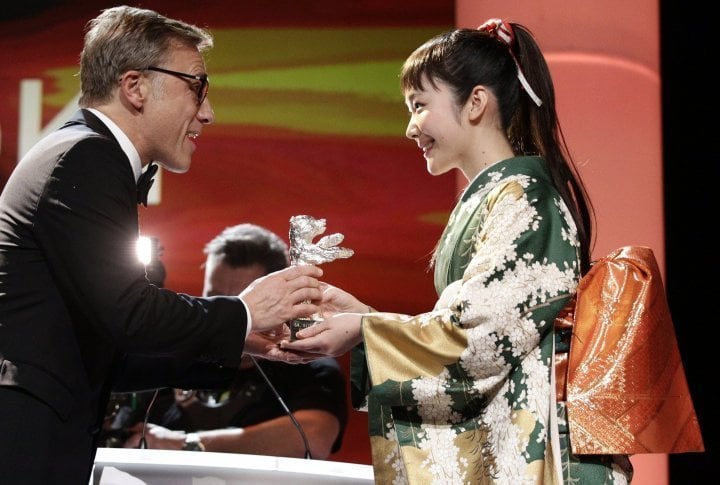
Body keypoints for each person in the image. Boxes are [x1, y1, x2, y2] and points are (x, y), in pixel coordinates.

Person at [281, 19, 634, 484]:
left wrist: (366, 329)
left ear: (475, 103)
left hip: (543, 451)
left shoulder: (525, 197)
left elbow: (481, 337)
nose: (410, 127)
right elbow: (476, 323)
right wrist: (365, 318)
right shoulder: (506, 196)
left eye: (419, 105)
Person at [0, 6, 322, 485]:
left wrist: (237, 343)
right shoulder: (85, 158)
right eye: (197, 87)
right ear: (134, 87)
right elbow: (131, 317)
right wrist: (245, 312)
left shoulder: (82, 153)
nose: (208, 112)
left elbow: (111, 350)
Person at [120, 223, 348, 459]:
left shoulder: (303, 361)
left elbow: (315, 436)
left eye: (246, 304)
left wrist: (185, 445)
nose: (227, 313)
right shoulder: (170, 353)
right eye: (214, 299)